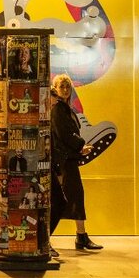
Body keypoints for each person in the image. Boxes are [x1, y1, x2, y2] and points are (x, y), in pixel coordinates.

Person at [49, 73, 103, 255]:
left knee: (74, 196)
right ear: (55, 89)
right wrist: (80, 145)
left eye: (67, 86)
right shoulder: (59, 109)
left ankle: (81, 235)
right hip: (64, 160)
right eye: (61, 86)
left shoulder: (64, 108)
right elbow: (64, 133)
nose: (65, 89)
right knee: (64, 199)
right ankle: (49, 239)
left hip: (67, 158)